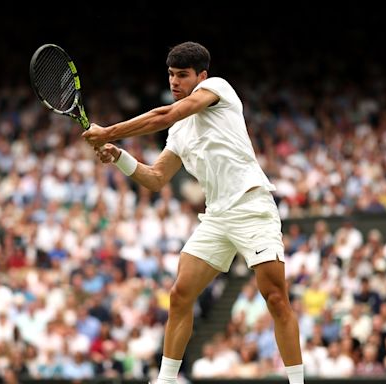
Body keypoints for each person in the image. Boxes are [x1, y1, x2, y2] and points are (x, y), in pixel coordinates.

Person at [83, 41, 304, 384]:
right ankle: (166, 381)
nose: (174, 82)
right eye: (170, 75)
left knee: (275, 298)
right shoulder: (179, 132)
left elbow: (165, 114)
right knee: (179, 294)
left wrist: (110, 131)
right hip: (216, 217)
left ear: (201, 76)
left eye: (182, 75)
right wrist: (119, 156)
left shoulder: (216, 89)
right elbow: (156, 178)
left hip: (251, 207)